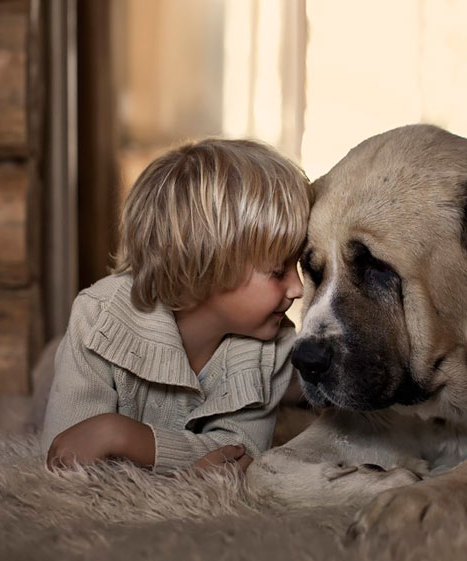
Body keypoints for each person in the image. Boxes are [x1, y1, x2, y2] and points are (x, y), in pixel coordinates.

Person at [41, 138, 309, 474]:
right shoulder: (97, 316)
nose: (298, 288)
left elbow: (240, 457)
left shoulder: (274, 346)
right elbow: (66, 453)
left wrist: (120, 435)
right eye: (278, 271)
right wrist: (192, 463)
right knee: (44, 382)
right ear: (207, 265)